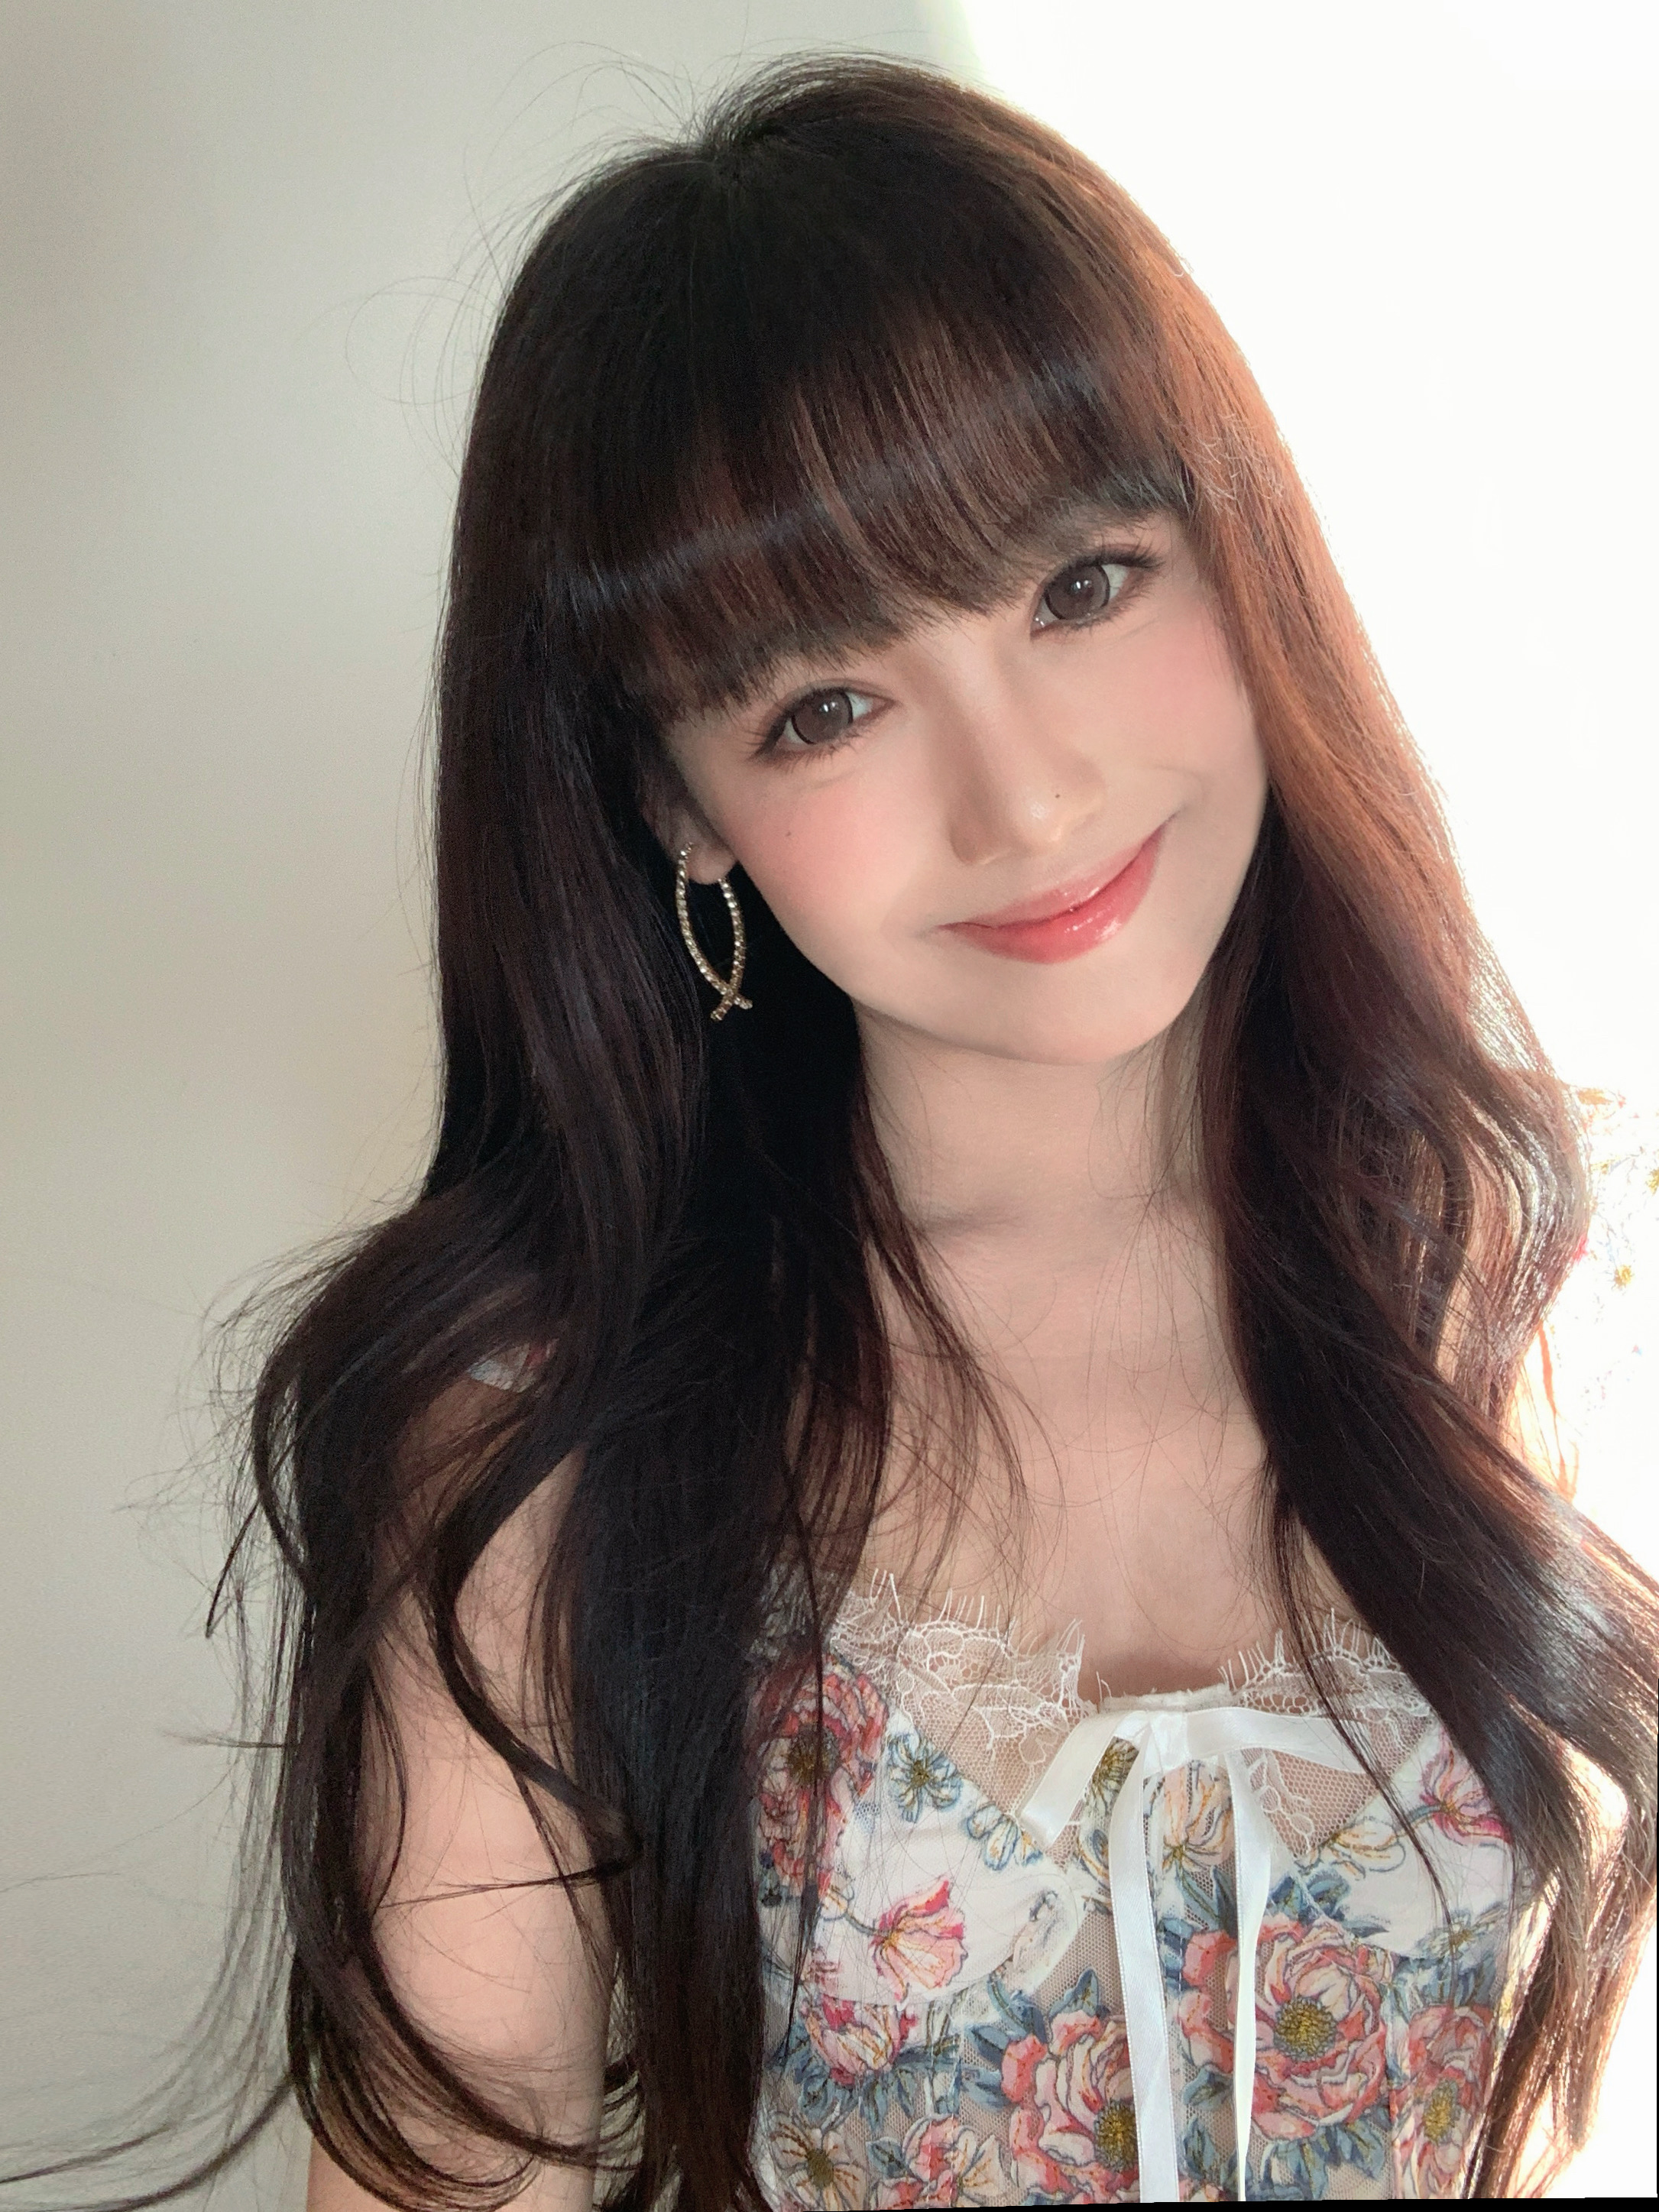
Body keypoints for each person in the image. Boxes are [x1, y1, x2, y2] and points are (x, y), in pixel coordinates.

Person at [103, 56, 1659, 2212]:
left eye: (1084, 583)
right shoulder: (544, 1443)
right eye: (824, 704)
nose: (1024, 798)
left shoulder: (1551, 1260)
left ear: (1243, 550)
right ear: (680, 809)